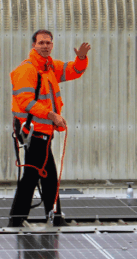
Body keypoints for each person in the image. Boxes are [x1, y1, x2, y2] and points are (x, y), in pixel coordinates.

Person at [8, 30, 91, 227]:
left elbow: (73, 71)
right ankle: (32, 218)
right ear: (34, 45)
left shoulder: (48, 67)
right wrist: (52, 115)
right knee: (40, 177)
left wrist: (81, 58)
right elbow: (25, 102)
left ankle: (31, 217)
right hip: (34, 133)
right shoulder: (27, 70)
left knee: (41, 176)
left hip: (43, 133)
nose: (45, 45)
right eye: (41, 42)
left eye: (48, 42)